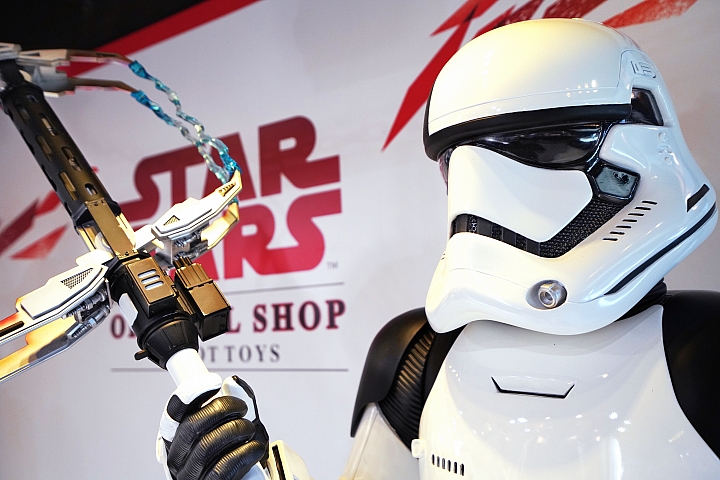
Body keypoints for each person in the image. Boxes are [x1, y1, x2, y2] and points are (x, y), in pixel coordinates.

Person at [158, 18, 720, 480]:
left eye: (542, 145)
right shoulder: (416, 355)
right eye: (459, 160)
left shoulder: (704, 354)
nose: (484, 191)